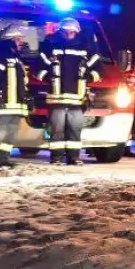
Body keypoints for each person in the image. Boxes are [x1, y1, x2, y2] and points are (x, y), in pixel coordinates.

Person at [39, 17, 99, 166]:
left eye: (71, 32)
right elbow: (38, 67)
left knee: (75, 129)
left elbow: (98, 69)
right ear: (60, 31)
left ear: (77, 32)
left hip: (77, 98)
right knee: (56, 129)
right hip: (56, 97)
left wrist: (89, 77)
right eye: (66, 31)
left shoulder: (85, 48)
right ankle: (56, 157)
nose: (69, 34)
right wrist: (47, 77)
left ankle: (74, 157)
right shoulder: (50, 45)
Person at [0, 24, 30, 167]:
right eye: (19, 39)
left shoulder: (16, 58)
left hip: (16, 105)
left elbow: (21, 82)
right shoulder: (0, 55)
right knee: (1, 132)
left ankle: (2, 159)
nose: (21, 42)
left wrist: (27, 98)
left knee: (11, 133)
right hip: (4, 103)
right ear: (10, 39)